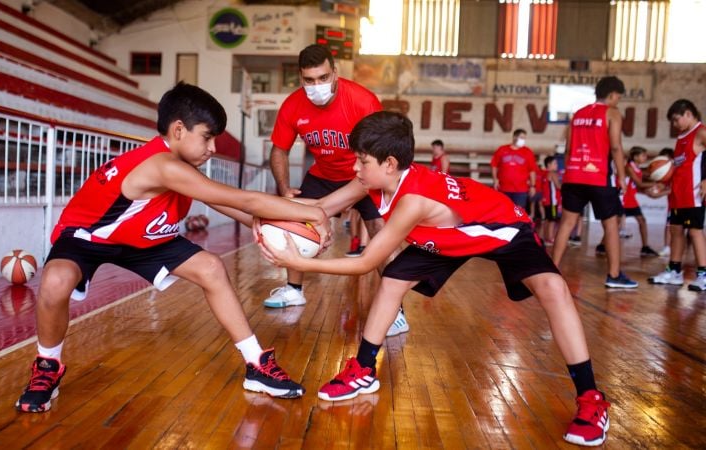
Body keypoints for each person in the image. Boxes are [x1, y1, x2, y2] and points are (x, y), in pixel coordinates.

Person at [259, 111, 611, 447]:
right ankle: (364, 368)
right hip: (443, 237)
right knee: (393, 280)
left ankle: (591, 397)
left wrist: (295, 261)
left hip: (500, 227)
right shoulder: (374, 178)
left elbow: (365, 262)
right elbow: (322, 207)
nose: (355, 167)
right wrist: (265, 213)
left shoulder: (413, 200)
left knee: (554, 289)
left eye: (361, 161)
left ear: (390, 164)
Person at [14, 83, 333, 413]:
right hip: (90, 236)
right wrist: (314, 213)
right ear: (179, 130)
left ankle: (256, 365)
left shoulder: (180, 164)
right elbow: (243, 198)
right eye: (207, 137)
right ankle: (47, 366)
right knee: (55, 281)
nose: (212, 148)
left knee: (210, 267)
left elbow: (229, 204)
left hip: (143, 237)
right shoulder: (162, 165)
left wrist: (262, 222)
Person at [265, 45, 409, 336]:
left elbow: (378, 157)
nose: (317, 86)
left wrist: (343, 199)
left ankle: (397, 311)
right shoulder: (293, 105)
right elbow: (279, 151)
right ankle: (294, 290)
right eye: (309, 80)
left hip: (364, 174)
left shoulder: (362, 100)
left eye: (323, 77)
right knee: (294, 220)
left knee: (382, 234)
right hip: (323, 173)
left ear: (335, 73)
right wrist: (284, 190)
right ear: (300, 78)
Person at [550, 76, 638, 288]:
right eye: (618, 97)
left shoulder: (578, 114)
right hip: (599, 176)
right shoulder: (612, 112)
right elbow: (616, 147)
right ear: (612, 94)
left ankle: (551, 270)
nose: (618, 101)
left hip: (573, 176)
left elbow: (569, 148)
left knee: (566, 224)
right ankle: (614, 275)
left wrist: (570, 172)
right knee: (610, 225)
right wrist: (621, 176)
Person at [648, 100, 706, 291]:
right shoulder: (682, 136)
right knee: (676, 232)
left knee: (695, 232)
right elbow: (679, 168)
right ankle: (674, 271)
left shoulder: (700, 132)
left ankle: (703, 274)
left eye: (676, 119)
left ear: (688, 113)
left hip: (693, 194)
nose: (674, 124)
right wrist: (663, 183)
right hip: (678, 194)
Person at [594, 146, 661, 257]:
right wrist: (656, 184)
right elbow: (639, 183)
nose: (645, 157)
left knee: (640, 221)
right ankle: (602, 245)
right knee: (616, 223)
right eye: (643, 155)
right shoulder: (629, 167)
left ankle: (645, 247)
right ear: (635, 157)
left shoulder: (637, 168)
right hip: (623, 198)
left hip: (630, 198)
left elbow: (642, 180)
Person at [490, 129, 538, 209]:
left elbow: (532, 170)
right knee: (503, 210)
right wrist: (495, 179)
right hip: (503, 188)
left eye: (524, 138)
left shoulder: (527, 152)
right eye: (521, 138)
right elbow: (494, 165)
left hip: (521, 189)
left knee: (518, 212)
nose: (523, 140)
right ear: (515, 137)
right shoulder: (502, 149)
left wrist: (533, 186)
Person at [541, 155, 562, 245]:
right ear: (549, 165)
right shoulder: (553, 174)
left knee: (547, 219)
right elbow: (558, 186)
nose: (557, 165)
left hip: (546, 201)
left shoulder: (544, 173)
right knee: (552, 220)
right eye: (555, 163)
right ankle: (549, 238)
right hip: (552, 201)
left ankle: (545, 237)